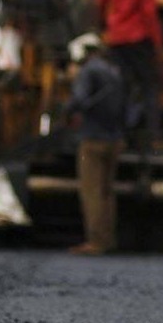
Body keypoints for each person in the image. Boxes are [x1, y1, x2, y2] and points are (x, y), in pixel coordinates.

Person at [96, 0, 163, 153]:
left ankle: (118, 136)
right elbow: (147, 10)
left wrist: (103, 30)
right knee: (148, 86)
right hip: (138, 38)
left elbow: (101, 5)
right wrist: (156, 40)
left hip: (116, 38)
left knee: (119, 86)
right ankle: (151, 137)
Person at [64, 33, 126, 255]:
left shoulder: (88, 71)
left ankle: (96, 242)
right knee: (107, 192)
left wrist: (67, 109)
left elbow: (79, 99)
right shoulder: (113, 71)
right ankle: (108, 239)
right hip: (114, 140)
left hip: (92, 139)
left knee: (92, 192)